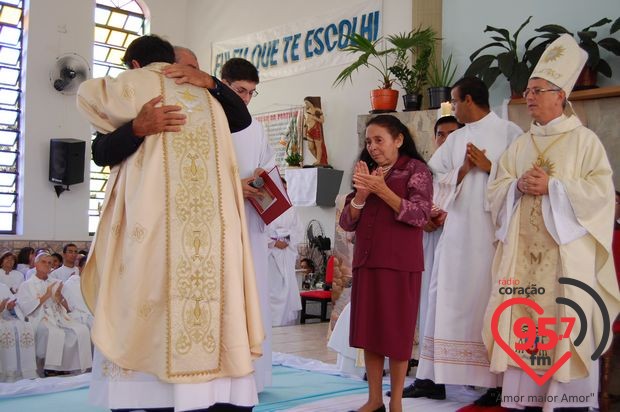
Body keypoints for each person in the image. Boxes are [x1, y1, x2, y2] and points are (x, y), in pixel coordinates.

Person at [77, 35, 263, 412]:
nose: (181, 77)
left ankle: (177, 397)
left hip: (172, 233)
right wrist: (136, 129)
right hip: (185, 233)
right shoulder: (150, 97)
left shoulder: (206, 96)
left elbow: (85, 94)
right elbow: (100, 151)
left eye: (191, 72)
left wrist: (211, 83)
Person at [483, 34, 620, 412]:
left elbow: (601, 194)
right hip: (522, 262)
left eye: (538, 90)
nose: (529, 97)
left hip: (565, 264)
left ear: (561, 96)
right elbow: (494, 190)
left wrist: (554, 187)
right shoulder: (519, 146)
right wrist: (515, 188)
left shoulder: (585, 142)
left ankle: (568, 404)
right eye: (527, 90)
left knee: (565, 324)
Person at [415, 76, 522, 406]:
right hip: (457, 232)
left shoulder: (510, 133)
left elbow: (521, 182)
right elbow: (432, 178)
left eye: (455, 101)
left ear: (471, 100)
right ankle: (432, 378)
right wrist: (461, 171)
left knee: (485, 300)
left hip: (490, 233)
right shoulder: (457, 138)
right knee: (440, 297)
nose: (453, 107)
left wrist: (491, 168)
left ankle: (494, 383)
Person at [339, 114, 432, 412]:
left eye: (379, 140)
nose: (373, 146)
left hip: (399, 263)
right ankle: (374, 399)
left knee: (396, 332)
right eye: (369, 141)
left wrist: (383, 191)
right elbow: (347, 222)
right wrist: (361, 196)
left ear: (399, 139)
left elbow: (420, 215)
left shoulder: (415, 170)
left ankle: (396, 402)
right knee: (371, 333)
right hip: (367, 261)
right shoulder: (370, 171)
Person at [220, 57, 276, 392]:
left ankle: (251, 374)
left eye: (252, 93)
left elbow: (269, 167)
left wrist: (261, 179)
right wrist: (230, 185)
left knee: (250, 295)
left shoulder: (256, 127)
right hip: (218, 221)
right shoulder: (206, 119)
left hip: (249, 221)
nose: (246, 99)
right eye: (240, 90)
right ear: (222, 84)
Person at [397, 115, 463, 399]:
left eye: (452, 134)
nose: (445, 139)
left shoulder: (472, 167)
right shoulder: (427, 169)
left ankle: (465, 374)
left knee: (456, 309)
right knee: (427, 306)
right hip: (428, 242)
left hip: (460, 247)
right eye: (440, 134)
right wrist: (425, 217)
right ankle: (429, 377)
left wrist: (451, 217)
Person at [16, 252, 91, 376]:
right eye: (43, 262)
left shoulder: (57, 282)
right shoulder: (26, 285)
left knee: (82, 330)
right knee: (54, 333)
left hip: (60, 316)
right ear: (36, 264)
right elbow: (25, 308)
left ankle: (74, 367)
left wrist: (59, 298)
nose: (47, 265)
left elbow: (68, 308)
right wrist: (46, 295)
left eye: (50, 263)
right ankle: (50, 368)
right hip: (40, 317)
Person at [267, 179, 303, 326]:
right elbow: (257, 231)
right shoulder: (265, 207)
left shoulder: (290, 208)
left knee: (287, 289)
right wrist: (274, 242)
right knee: (271, 290)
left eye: (286, 189)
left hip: (286, 252)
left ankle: (285, 324)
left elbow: (298, 230)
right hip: (269, 255)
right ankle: (270, 322)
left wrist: (287, 241)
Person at [0, 281, 36, 381]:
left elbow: (11, 307)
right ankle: (6, 374)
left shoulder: (3, 286)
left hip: (4, 319)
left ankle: (23, 372)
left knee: (24, 327)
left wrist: (10, 307)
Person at [62, 254, 93, 329]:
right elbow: (64, 303)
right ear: (79, 268)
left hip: (93, 317)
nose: (89, 270)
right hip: (75, 318)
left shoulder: (96, 283)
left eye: (91, 268)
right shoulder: (71, 282)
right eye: (86, 267)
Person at [303, 97, 328, 165]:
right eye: (305, 103)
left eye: (306, 103)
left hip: (316, 129)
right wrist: (304, 132)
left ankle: (319, 161)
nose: (306, 104)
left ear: (310, 102)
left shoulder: (317, 110)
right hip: (309, 130)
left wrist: (314, 117)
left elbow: (322, 121)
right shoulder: (306, 111)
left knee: (318, 146)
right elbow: (305, 122)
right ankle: (319, 160)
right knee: (310, 147)